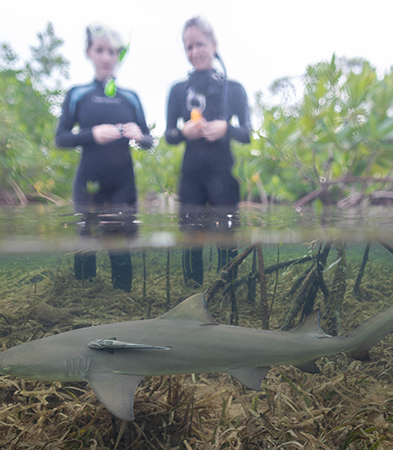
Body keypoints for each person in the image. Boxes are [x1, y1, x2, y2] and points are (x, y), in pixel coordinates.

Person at [55, 23, 153, 292]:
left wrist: (139, 135)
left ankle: (123, 302)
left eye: (112, 51)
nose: (107, 57)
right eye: (100, 50)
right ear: (89, 52)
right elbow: (61, 138)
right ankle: (83, 303)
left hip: (123, 185)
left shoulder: (131, 98)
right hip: (88, 183)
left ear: (119, 55)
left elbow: (148, 141)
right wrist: (92, 134)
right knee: (85, 244)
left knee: (120, 246)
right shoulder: (78, 94)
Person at [165, 16, 251, 285]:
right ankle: (192, 299)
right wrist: (183, 132)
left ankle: (228, 293)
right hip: (191, 179)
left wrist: (226, 128)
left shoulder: (234, 89)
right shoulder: (178, 90)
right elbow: (169, 135)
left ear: (214, 44)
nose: (195, 52)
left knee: (227, 240)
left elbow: (248, 133)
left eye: (200, 44)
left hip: (224, 178)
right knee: (192, 241)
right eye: (189, 47)